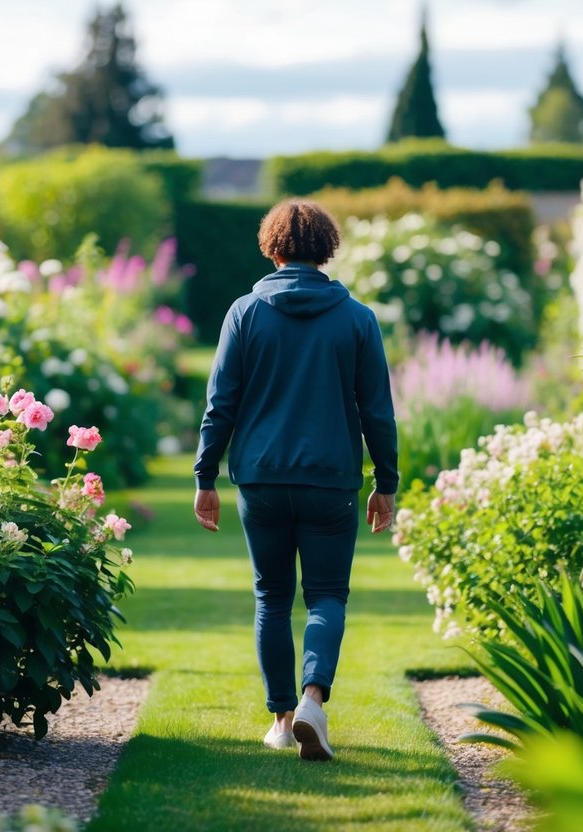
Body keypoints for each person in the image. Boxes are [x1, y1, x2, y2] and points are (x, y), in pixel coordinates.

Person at [193, 198, 398, 762]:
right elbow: (377, 410)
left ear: (274, 247)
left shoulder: (244, 313)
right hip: (331, 480)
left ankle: (282, 722)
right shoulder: (357, 318)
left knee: (272, 597)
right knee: (327, 596)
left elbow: (221, 404)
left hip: (260, 479)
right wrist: (387, 481)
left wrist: (205, 476)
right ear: (326, 250)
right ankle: (313, 699)